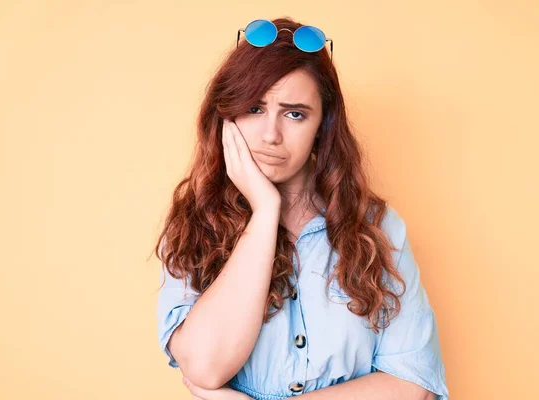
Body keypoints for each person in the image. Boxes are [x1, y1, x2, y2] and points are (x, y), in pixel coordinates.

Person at [155, 16, 449, 400]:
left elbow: (413, 385)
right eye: (255, 109)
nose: (271, 135)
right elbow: (206, 367)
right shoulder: (196, 223)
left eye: (295, 113)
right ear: (227, 118)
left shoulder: (376, 227)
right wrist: (264, 211)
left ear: (321, 127)